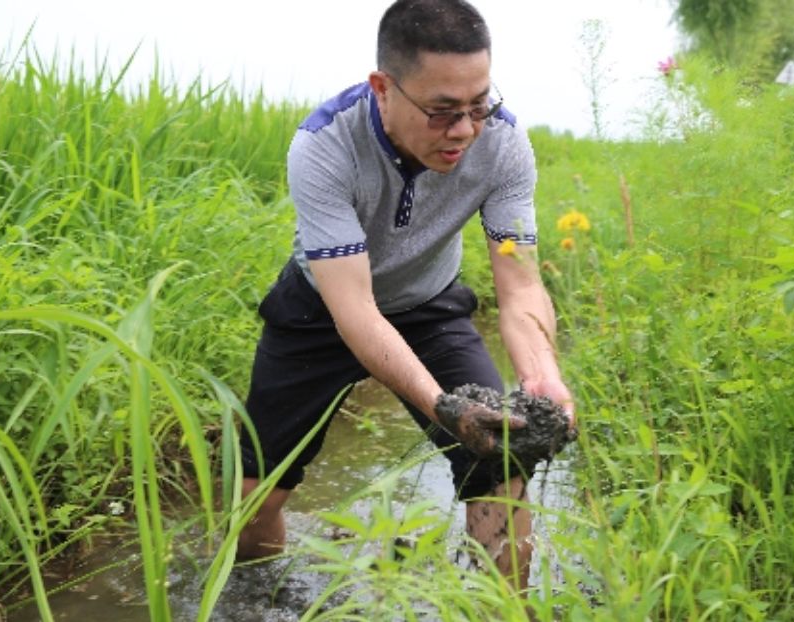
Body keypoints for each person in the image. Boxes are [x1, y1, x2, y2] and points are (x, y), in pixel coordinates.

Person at [237, 0, 575, 586]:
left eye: (478, 104)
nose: (465, 130)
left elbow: (519, 284)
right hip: (324, 310)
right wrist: (444, 406)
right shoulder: (324, 145)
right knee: (253, 495)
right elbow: (356, 310)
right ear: (383, 88)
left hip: (429, 306)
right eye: (443, 111)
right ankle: (258, 592)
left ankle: (503, 607)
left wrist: (542, 374)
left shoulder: (505, 144)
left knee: (500, 465)